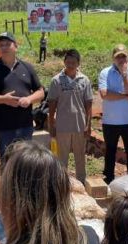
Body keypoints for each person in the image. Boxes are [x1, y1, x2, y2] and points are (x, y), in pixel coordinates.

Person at [0, 32, 44, 161]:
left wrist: (29, 99)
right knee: (8, 163)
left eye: (7, 44)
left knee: (26, 163)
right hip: (4, 127)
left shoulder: (27, 67)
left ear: (16, 46)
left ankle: (24, 182)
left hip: (25, 126)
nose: (4, 48)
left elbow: (40, 92)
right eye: (1, 45)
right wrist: (4, 100)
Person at [98, 44, 128, 184]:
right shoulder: (105, 72)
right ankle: (109, 179)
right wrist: (125, 95)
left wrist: (124, 75)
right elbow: (105, 94)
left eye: (124, 56)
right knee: (110, 151)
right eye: (118, 57)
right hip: (110, 121)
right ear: (113, 58)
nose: (121, 59)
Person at [47, 49, 93, 184]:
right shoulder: (56, 80)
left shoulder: (84, 80)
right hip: (62, 126)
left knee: (80, 157)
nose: (70, 64)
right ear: (64, 62)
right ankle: (61, 185)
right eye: (68, 62)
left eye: (73, 62)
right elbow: (52, 105)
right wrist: (52, 124)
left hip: (80, 125)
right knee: (61, 159)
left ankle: (81, 183)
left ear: (78, 63)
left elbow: (88, 104)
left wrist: (88, 125)